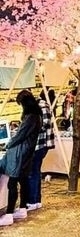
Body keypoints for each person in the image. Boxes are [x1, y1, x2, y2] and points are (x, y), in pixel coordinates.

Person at [0, 89, 42, 227]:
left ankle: (9, 214)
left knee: (12, 183)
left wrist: (7, 145)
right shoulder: (37, 115)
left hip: (20, 153)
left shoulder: (30, 117)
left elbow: (20, 136)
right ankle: (22, 208)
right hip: (27, 152)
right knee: (23, 181)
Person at [27, 89, 55, 211]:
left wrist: (28, 129)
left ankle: (33, 201)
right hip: (39, 144)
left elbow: (45, 123)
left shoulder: (42, 106)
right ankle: (36, 200)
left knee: (32, 172)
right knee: (36, 172)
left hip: (39, 144)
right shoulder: (40, 106)